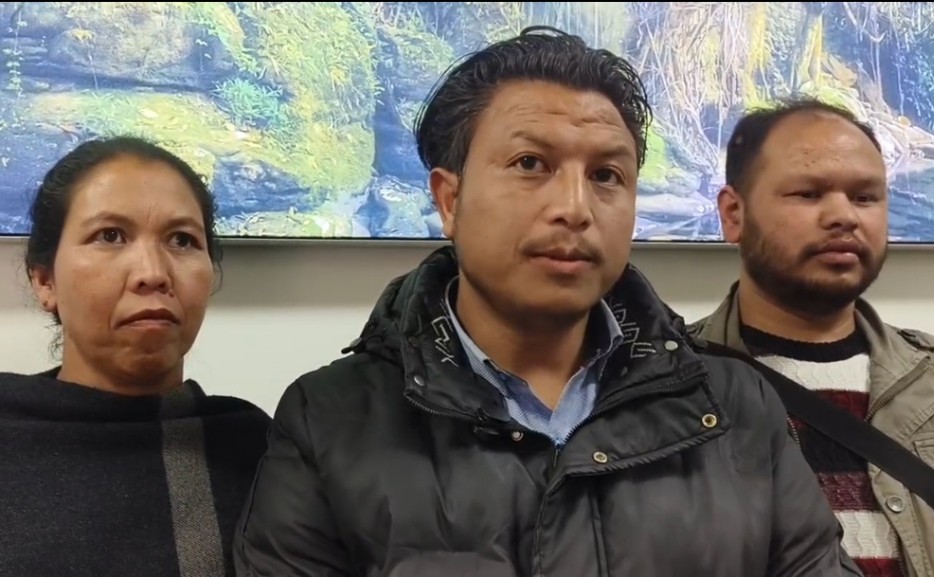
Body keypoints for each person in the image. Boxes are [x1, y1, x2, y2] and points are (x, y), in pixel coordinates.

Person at [234, 27, 861, 576]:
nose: (575, 208)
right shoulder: (330, 420)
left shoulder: (734, 406)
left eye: (606, 175)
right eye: (531, 163)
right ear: (449, 200)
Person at [688, 98, 934, 577]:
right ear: (733, 214)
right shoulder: (668, 385)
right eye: (807, 194)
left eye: (865, 197)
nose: (843, 216)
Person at [0, 136, 272, 577]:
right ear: (45, 280)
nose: (152, 273)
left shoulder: (259, 452)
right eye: (110, 236)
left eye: (182, 240)